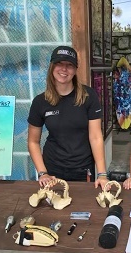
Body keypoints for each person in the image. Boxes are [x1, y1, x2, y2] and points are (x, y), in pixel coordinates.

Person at [27, 46, 108, 189]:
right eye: (59, 63)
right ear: (52, 67)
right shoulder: (40, 102)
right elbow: (33, 142)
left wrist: (102, 174)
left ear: (75, 70)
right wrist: (42, 173)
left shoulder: (88, 96)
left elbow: (95, 136)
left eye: (69, 65)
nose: (64, 69)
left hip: (82, 170)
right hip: (52, 171)